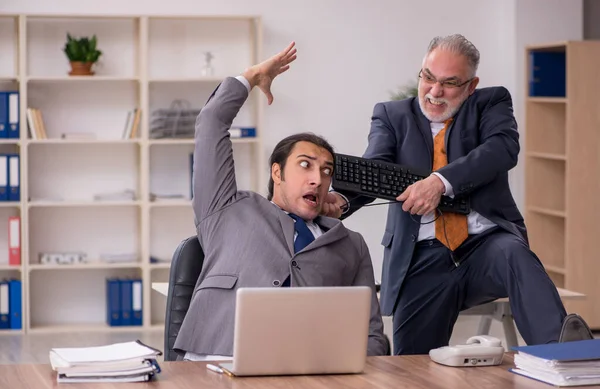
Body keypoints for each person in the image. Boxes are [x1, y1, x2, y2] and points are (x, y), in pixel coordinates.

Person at [326, 34, 593, 355]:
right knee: (411, 364)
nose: (435, 92)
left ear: (471, 85)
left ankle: (565, 355)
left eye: (450, 83)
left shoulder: (490, 104)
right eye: (428, 77)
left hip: (485, 248)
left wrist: (439, 182)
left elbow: (502, 149)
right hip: (420, 258)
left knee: (514, 253)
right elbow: (376, 166)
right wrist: (342, 201)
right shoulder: (392, 115)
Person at [173, 42, 389, 360]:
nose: (317, 177)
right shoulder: (227, 207)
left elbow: (371, 334)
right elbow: (211, 123)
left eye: (326, 170)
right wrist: (250, 77)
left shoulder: (349, 244)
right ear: (277, 172)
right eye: (305, 165)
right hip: (216, 361)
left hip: (308, 369)